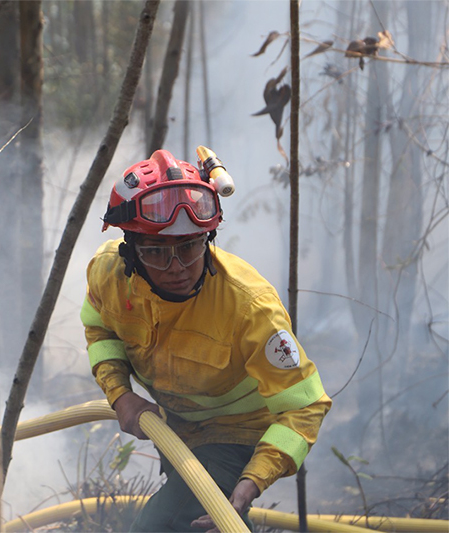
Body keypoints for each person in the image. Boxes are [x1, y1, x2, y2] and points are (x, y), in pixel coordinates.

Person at [81, 149, 332, 532]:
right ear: (130, 252)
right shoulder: (108, 276)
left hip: (239, 436)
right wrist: (121, 394)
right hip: (177, 430)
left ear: (208, 238)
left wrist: (252, 481)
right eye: (156, 252)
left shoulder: (250, 307)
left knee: (157, 528)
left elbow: (306, 406)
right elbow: (100, 331)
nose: (177, 268)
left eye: (189, 247)